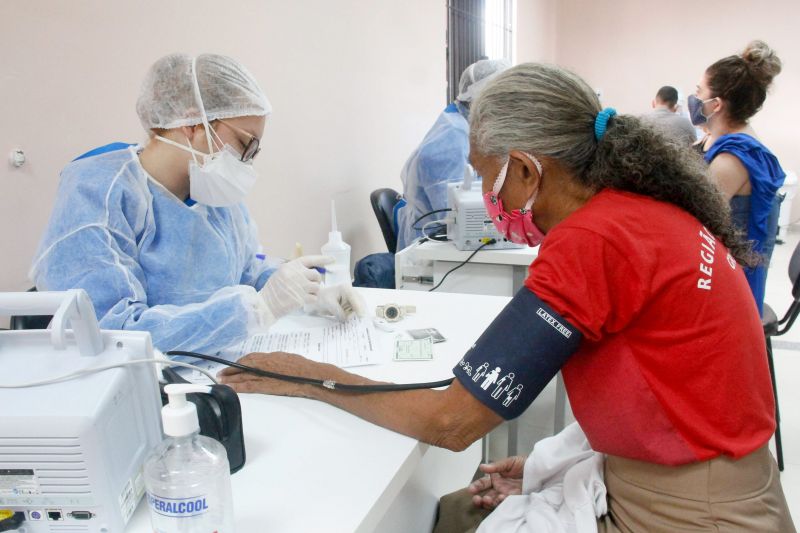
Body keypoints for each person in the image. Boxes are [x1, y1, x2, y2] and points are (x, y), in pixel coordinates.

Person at [218, 62, 795, 532]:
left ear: (524, 168)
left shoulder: (594, 240)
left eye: (483, 175)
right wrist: (555, 465)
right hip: (702, 483)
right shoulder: (643, 211)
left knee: (449, 519)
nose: (485, 198)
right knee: (453, 512)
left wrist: (308, 376)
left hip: (691, 515)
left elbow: (452, 423)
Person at [30, 53, 364, 357]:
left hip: (215, 364)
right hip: (138, 386)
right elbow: (113, 335)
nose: (246, 163)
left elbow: (246, 270)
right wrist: (257, 310)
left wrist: (308, 292)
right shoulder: (100, 193)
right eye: (245, 145)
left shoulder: (211, 193)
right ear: (192, 124)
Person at [689, 40, 785, 315]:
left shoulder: (733, 159)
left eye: (699, 92)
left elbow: (691, 214)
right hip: (722, 264)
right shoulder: (720, 138)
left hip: (731, 283)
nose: (694, 99)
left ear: (715, 104)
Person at [395, 58, 510, 250]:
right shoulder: (450, 141)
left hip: (453, 243)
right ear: (481, 101)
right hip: (431, 247)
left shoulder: (467, 127)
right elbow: (452, 217)